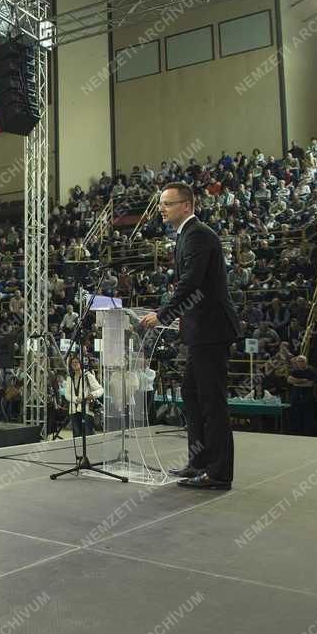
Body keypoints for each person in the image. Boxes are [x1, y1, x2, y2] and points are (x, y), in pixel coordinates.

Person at [141, 182, 239, 490]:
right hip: (199, 331)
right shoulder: (186, 235)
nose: (162, 209)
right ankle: (199, 462)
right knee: (193, 396)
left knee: (212, 403)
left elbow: (191, 283)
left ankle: (219, 473)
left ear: (186, 206)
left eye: (168, 204)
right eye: (161, 204)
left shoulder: (197, 234)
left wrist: (162, 315)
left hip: (211, 330)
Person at [62, 355, 103, 439]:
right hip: (73, 411)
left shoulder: (87, 375)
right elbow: (66, 394)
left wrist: (93, 395)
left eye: (76, 362)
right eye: (72, 363)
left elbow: (100, 389)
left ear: (80, 363)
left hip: (86, 410)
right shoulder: (70, 378)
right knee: (76, 436)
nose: (74, 364)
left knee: (87, 436)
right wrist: (76, 399)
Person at [286, 356, 317, 436]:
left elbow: (310, 384)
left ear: (305, 362)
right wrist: (302, 380)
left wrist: (296, 383)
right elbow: (289, 380)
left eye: (301, 361)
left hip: (308, 398)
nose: (299, 363)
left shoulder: (311, 371)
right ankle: (296, 434)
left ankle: (307, 434)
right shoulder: (294, 371)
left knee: (307, 418)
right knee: (296, 417)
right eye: (298, 361)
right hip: (296, 398)